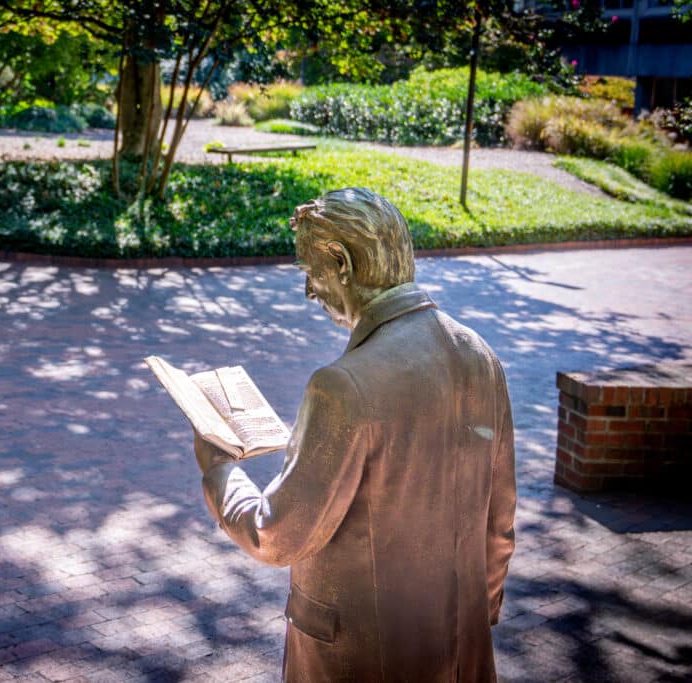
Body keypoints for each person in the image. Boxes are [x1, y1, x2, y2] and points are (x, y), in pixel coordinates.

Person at [194, 188, 516, 682]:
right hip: (461, 650)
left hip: (360, 658)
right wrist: (474, 618)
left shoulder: (343, 385)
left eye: (309, 271)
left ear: (341, 262)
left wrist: (220, 474)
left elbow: (275, 534)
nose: (309, 290)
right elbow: (500, 524)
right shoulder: (480, 355)